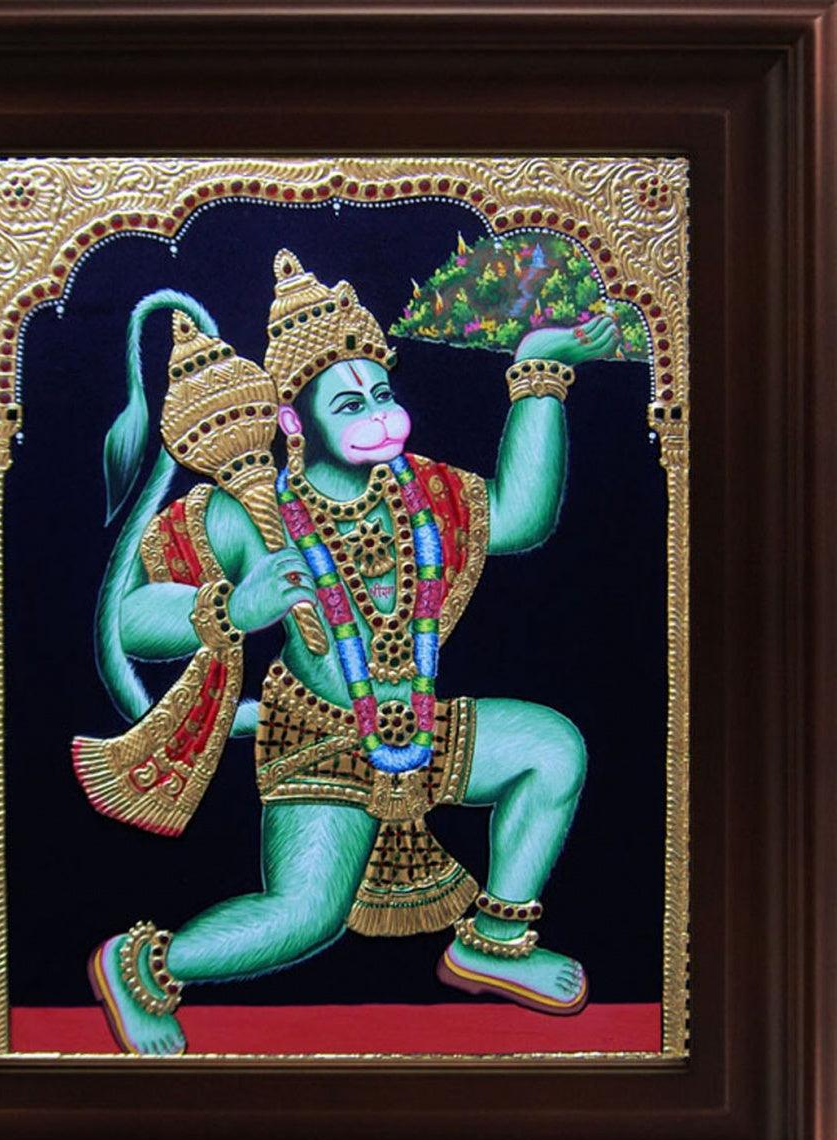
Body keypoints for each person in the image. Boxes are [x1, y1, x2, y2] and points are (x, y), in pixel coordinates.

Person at [79, 250, 620, 1055]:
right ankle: (147, 965)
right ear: (295, 424)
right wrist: (233, 604)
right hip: (319, 737)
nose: (380, 416)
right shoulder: (248, 511)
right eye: (349, 403)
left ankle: (496, 942)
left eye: (383, 395)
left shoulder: (422, 490)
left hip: (416, 722)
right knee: (304, 917)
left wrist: (538, 374)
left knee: (551, 750)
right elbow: (129, 621)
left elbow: (519, 516)